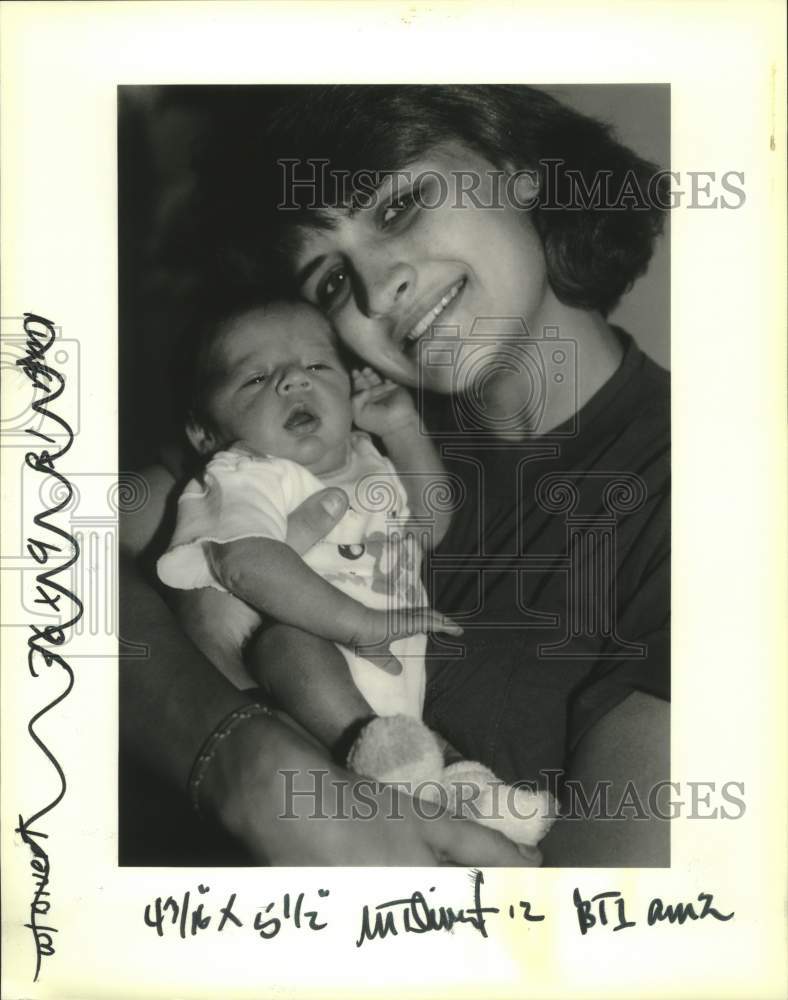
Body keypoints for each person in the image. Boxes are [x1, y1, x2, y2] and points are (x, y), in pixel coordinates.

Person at [120, 84, 669, 866]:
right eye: (333, 282)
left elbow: (614, 939)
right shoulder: (338, 417)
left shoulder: (712, 497)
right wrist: (242, 762)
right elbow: (54, 550)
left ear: (519, 168)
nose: (377, 291)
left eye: (398, 206)